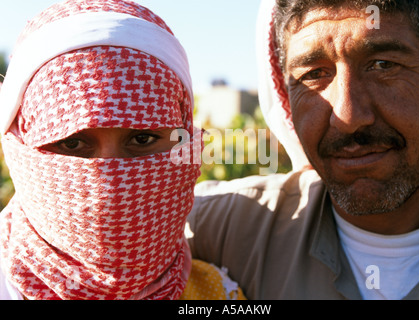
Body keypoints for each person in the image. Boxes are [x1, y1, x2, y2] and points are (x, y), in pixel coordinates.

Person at [186, 0, 419, 299]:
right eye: (313, 74)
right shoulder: (217, 232)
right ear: (287, 99)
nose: (348, 117)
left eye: (383, 65)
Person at [0, 0, 245, 300]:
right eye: (72, 143)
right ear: (19, 148)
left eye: (142, 140)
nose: (109, 185)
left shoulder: (215, 294)